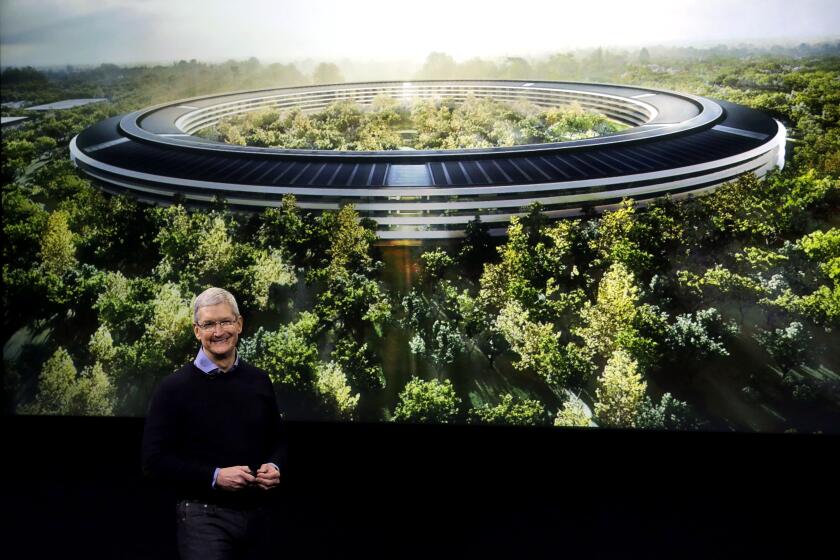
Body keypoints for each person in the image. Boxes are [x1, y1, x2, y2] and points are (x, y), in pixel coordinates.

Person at [142, 287, 287, 560]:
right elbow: (153, 462)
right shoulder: (173, 388)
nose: (218, 331)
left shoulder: (259, 381)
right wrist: (215, 476)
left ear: (239, 324)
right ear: (197, 331)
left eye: (225, 322)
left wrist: (276, 465)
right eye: (209, 324)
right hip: (203, 517)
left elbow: (279, 440)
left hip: (259, 516)